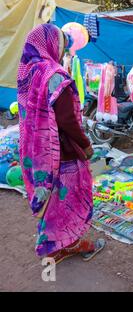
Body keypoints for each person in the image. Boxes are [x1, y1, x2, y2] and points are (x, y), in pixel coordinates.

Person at [17, 24, 105, 264]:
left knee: (52, 196)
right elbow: (66, 119)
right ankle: (69, 244)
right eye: (61, 45)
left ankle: (53, 242)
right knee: (67, 198)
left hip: (37, 149)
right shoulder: (54, 74)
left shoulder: (28, 71)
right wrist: (85, 145)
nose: (63, 50)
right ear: (50, 45)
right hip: (61, 149)